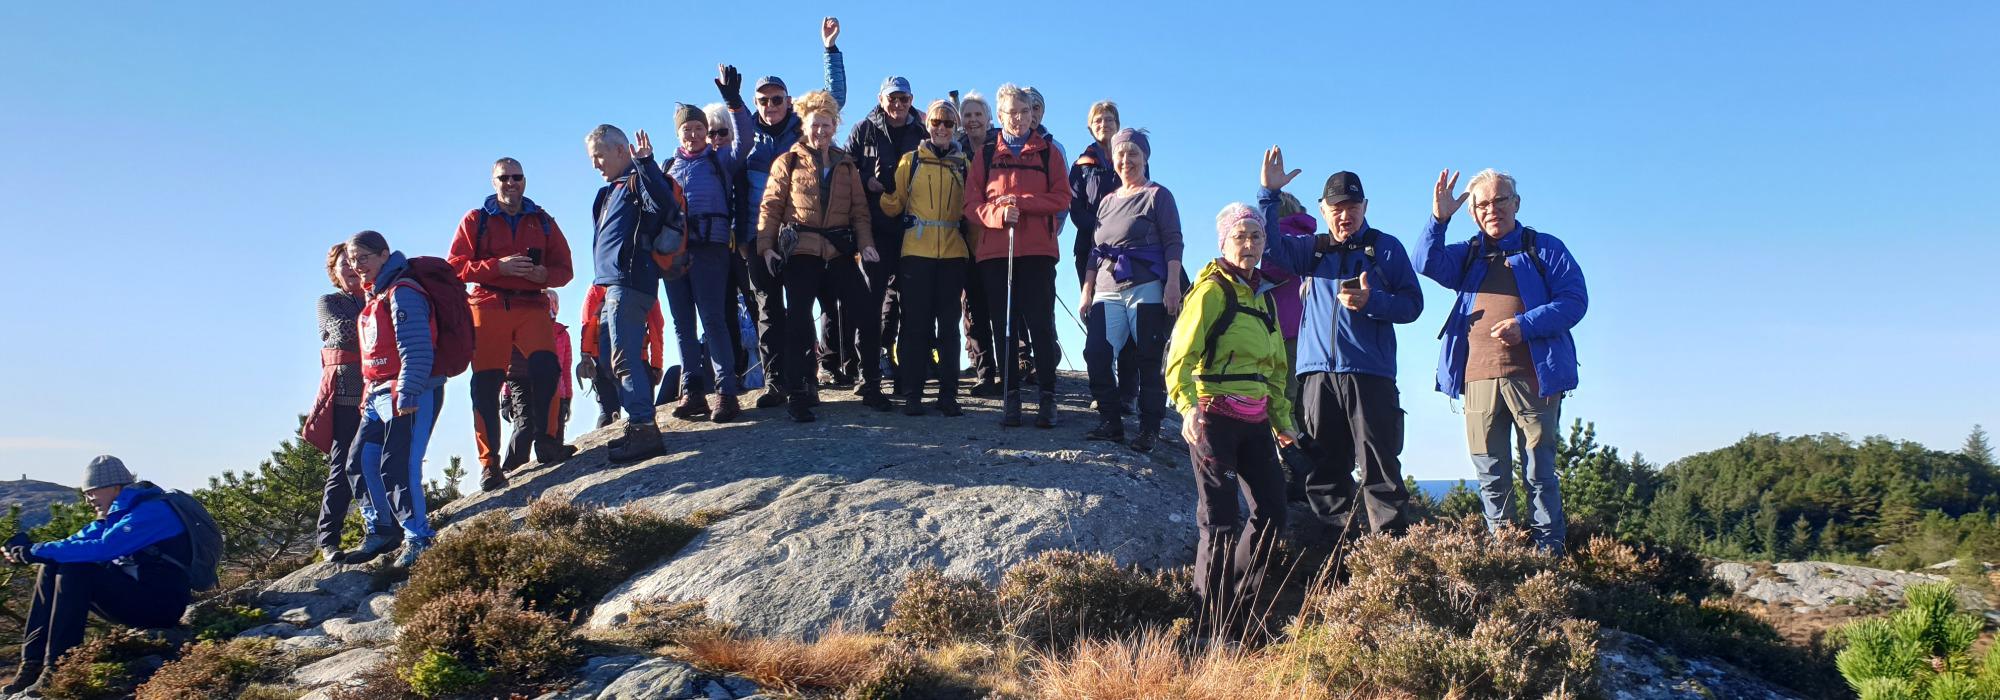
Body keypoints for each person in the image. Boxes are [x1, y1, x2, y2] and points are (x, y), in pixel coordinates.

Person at [1416, 168, 1589, 552]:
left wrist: (1525, 325)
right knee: (1491, 474)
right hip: (1477, 378)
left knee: (1539, 471)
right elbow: (1425, 262)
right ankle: (1507, 556)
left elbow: (1575, 301)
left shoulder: (1544, 248)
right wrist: (1438, 220)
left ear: (1516, 203)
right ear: (1473, 213)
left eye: (1499, 200)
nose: (1492, 209)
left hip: (1534, 376)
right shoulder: (1470, 253)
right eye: (1482, 204)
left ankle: (1549, 559)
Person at [1258, 148, 1425, 538]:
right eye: (1336, 207)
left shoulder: (1385, 249)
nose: (1344, 214)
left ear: (1365, 206)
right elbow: (1270, 250)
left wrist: (1374, 302)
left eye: (1352, 205)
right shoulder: (1312, 250)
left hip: (1370, 374)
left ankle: (1389, 566)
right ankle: (1339, 561)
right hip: (1316, 375)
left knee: (1380, 469)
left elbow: (1413, 305)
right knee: (1326, 471)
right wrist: (1268, 195)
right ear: (1323, 208)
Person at [1165, 204, 1299, 640]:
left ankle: (1236, 613)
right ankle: (1208, 626)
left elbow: (1275, 371)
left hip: (1257, 420)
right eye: (1239, 237)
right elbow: (1180, 357)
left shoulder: (1264, 300)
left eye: (1255, 237)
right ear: (1223, 243)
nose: (1248, 244)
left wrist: (1283, 422)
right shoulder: (1210, 292)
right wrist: (1187, 407)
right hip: (1213, 418)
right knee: (1219, 520)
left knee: (1273, 512)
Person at [2, 457, 194, 695]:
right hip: (136, 598)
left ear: (115, 486)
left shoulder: (153, 511)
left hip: (161, 606)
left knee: (76, 567)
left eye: (91, 492)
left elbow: (104, 548)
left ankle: (59, 668)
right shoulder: (116, 516)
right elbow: (72, 543)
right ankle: (32, 664)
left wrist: (36, 551)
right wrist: (32, 549)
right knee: (51, 565)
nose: (88, 500)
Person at [739, 17, 850, 411]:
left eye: (777, 99)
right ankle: (775, 382)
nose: (770, 106)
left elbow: (831, 99)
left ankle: (810, 376)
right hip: (757, 237)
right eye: (763, 100)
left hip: (800, 236)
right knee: (769, 310)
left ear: (788, 102)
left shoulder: (800, 135)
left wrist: (829, 51)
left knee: (806, 307)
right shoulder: (746, 139)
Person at [448, 157, 576, 491]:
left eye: (517, 177)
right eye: (504, 178)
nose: (511, 183)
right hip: (488, 305)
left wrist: (543, 274)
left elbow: (566, 269)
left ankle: (548, 443)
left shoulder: (542, 220)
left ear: (525, 181)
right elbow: (456, 266)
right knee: (485, 385)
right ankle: (490, 465)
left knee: (548, 369)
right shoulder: (476, 220)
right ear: (493, 181)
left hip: (532, 304)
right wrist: (497, 268)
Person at [757, 89, 885, 422]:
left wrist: (866, 242)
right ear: (805, 124)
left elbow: (859, 211)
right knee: (798, 319)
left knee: (866, 312)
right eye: (815, 125)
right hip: (801, 250)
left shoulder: (846, 166)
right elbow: (771, 208)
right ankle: (798, 392)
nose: (821, 131)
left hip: (839, 250)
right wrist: (767, 246)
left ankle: (871, 384)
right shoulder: (788, 161)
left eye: (827, 125)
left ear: (834, 126)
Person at [964, 83, 1070, 427]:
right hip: (996, 251)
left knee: (1040, 323)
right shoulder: (984, 156)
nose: (1020, 119)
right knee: (1003, 324)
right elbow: (971, 205)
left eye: (1025, 112)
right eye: (1012, 113)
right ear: (1000, 115)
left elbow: (1062, 198)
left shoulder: (1048, 152)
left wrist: (1020, 204)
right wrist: (997, 215)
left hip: (1038, 250)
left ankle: (1047, 397)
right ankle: (1010, 398)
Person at [344, 231, 446, 567]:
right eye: (353, 259)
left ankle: (418, 537)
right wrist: (366, 395)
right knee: (361, 461)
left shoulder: (403, 293)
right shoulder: (376, 296)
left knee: (399, 465)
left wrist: (409, 390)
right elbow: (374, 355)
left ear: (385, 255)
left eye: (364, 258)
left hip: (411, 392)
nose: (358, 266)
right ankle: (382, 529)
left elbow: (416, 348)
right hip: (378, 396)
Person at [1080, 128, 1181, 452]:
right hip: (1108, 288)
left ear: (1145, 157)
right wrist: (1087, 290)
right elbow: (1095, 250)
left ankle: (1149, 428)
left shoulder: (1158, 195)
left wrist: (1173, 285)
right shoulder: (1107, 201)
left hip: (1146, 285)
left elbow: (1173, 242)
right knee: (1096, 352)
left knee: (1149, 358)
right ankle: (1111, 421)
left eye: (1133, 153)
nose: (1126, 160)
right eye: (1120, 154)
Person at [661, 79, 755, 424]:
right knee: (683, 325)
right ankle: (692, 392)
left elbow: (744, 140)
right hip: (674, 256)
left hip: (711, 250)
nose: (693, 134)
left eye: (699, 128)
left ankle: (726, 394)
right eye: (687, 129)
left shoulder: (721, 161)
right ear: (678, 134)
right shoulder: (667, 169)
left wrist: (733, 102)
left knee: (713, 320)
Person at [586, 124, 681, 463]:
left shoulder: (637, 180)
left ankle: (643, 429)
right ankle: (637, 425)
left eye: (599, 156)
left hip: (631, 281)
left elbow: (664, 205)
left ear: (620, 151)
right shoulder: (611, 190)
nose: (595, 164)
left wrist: (646, 163)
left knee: (626, 357)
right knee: (613, 359)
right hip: (613, 284)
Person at [881, 99, 971, 417]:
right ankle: (913, 393)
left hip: (952, 253)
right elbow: (895, 203)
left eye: (948, 122)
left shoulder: (964, 165)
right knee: (915, 325)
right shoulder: (911, 162)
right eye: (936, 122)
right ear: (927, 125)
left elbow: (971, 210)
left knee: (949, 326)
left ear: (955, 126)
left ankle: (948, 395)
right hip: (915, 253)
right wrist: (875, 191)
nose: (942, 128)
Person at [848, 76, 927, 390]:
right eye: (892, 98)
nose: (897, 105)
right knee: (871, 298)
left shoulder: (922, 131)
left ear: (911, 100)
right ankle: (869, 371)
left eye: (903, 99)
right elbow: (846, 168)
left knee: (909, 300)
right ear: (880, 99)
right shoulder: (863, 129)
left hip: (912, 226)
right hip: (874, 226)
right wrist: (867, 180)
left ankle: (907, 368)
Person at [307, 245, 369, 563]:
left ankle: (383, 528)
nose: (349, 268)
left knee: (384, 463)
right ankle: (328, 539)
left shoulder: (376, 296)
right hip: (345, 396)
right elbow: (340, 332)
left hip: (380, 392)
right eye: (342, 263)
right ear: (334, 270)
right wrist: (376, 323)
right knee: (342, 467)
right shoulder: (328, 302)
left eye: (355, 262)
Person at [955, 91, 1001, 397]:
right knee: (973, 312)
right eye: (967, 115)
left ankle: (1011, 371)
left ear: (989, 119)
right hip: (964, 242)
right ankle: (985, 372)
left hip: (996, 241)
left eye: (977, 115)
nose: (972, 120)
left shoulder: (1001, 150)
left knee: (1001, 309)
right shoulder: (953, 153)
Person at [578, 284, 665, 429]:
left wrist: (586, 355)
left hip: (601, 359)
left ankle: (607, 443)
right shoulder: (644, 286)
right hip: (637, 358)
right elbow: (656, 327)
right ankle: (645, 433)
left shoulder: (598, 287)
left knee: (607, 412)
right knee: (643, 408)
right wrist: (656, 365)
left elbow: (588, 323)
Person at [503, 291, 573, 464]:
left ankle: (549, 453)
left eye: (553, 303)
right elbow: (507, 362)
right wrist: (506, 395)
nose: (550, 307)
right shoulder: (520, 324)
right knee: (525, 424)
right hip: (522, 378)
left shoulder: (561, 333)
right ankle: (512, 465)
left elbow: (565, 367)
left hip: (555, 386)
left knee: (552, 427)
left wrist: (567, 397)